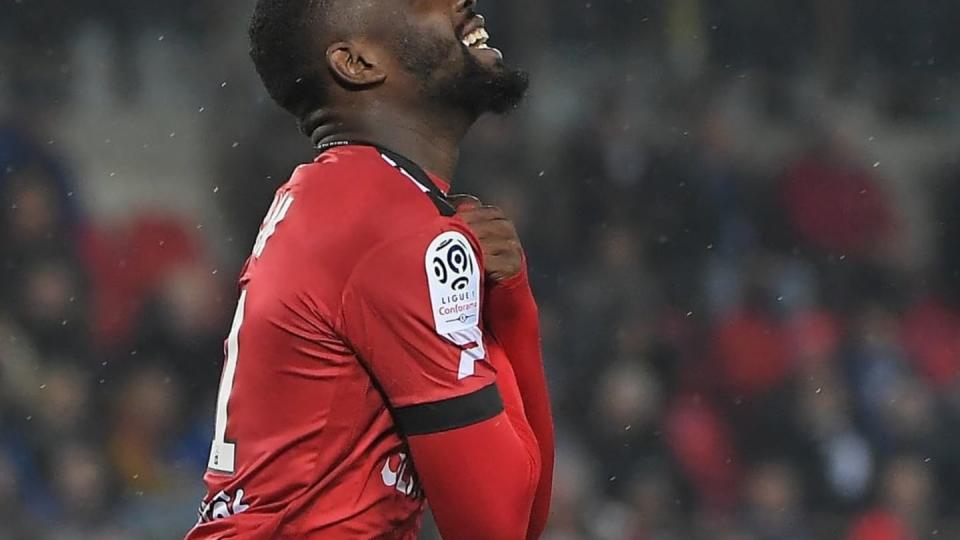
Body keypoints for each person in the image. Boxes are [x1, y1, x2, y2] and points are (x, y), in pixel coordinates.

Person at [184, 0, 554, 538]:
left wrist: (510, 307)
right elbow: (497, 530)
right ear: (356, 63)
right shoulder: (386, 224)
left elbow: (519, 517)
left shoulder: (337, 198)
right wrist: (504, 324)